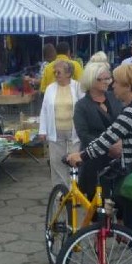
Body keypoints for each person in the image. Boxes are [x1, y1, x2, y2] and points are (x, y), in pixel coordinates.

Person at [67, 63, 132, 264]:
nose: (112, 86)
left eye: (116, 83)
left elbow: (108, 138)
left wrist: (81, 155)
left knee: (131, 225)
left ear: (128, 86)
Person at [73, 61, 123, 198]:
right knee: (97, 204)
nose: (108, 82)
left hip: (118, 157)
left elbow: (125, 122)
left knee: (119, 200)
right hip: (94, 160)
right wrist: (108, 147)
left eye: (109, 78)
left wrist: (121, 143)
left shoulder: (115, 97)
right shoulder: (81, 106)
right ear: (92, 80)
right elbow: (83, 134)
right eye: (104, 79)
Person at [38, 59, 83, 188]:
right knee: (56, 162)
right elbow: (45, 110)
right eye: (55, 72)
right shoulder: (50, 88)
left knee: (75, 161)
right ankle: (60, 192)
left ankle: (75, 190)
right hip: (55, 131)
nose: (56, 75)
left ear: (68, 74)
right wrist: (42, 130)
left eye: (59, 72)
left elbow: (83, 107)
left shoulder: (77, 87)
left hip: (74, 130)